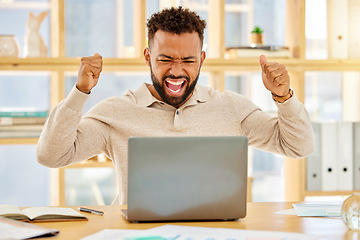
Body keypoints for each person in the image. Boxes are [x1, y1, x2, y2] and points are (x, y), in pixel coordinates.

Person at [37, 7, 314, 205]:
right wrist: (80, 92)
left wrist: (283, 97)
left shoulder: (231, 108)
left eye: (189, 61)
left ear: (202, 59)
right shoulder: (115, 112)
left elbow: (298, 146)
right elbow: (51, 156)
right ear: (148, 56)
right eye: (166, 59)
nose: (176, 71)